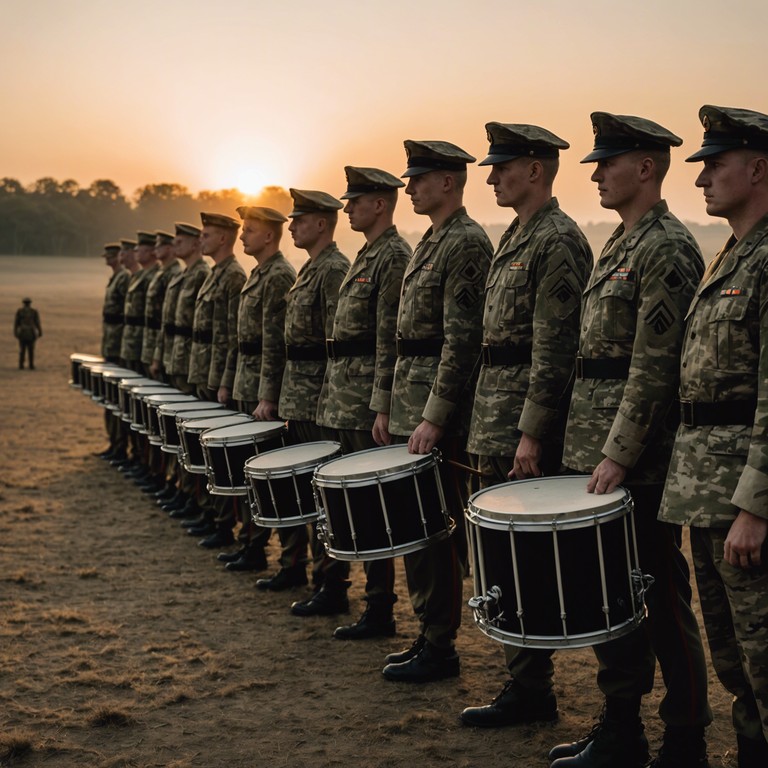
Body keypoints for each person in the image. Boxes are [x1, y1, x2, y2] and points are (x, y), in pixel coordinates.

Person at [547, 113, 711, 768]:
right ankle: (621, 730)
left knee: (662, 603)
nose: (596, 173)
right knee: (609, 596)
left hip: (637, 463)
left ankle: (684, 740)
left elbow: (654, 366)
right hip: (597, 455)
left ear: (645, 167)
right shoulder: (620, 242)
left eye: (607, 161)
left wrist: (619, 452)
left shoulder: (666, 247)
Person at [459, 122, 591, 726]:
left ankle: (533, 689)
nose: (491, 177)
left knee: (526, 563)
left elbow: (555, 347)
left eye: (502, 166)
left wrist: (533, 433)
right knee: (501, 563)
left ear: (534, 170)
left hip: (522, 430)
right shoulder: (517, 234)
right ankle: (524, 684)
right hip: (495, 420)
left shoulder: (556, 240)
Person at [659, 105, 768, 768]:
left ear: (758, 168)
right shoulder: (730, 254)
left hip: (743, 505)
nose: (701, 179)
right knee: (733, 659)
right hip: (706, 496)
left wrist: (756, 506)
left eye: (715, 164)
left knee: (764, 656)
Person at [381, 140, 492, 682]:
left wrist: (436, 415)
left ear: (448, 182)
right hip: (411, 406)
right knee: (418, 528)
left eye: (419, 177)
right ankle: (429, 633)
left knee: (438, 531)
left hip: (434, 414)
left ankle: (441, 645)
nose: (410, 187)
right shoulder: (432, 240)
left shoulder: (466, 242)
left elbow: (461, 339)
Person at [315, 166, 411, 635]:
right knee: (348, 505)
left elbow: (388, 339)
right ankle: (337, 588)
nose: (347, 207)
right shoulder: (366, 254)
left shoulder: (392, 256)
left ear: (380, 204)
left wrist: (382, 402)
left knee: (371, 507)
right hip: (343, 397)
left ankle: (379, 608)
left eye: (355, 200)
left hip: (363, 403)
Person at [256, 189, 350, 596]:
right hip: (300, 397)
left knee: (324, 499)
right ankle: (307, 572)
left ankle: (330, 582)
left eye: (299, 219)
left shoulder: (332, 270)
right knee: (305, 493)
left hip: (318, 400)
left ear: (321, 224)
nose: (290, 226)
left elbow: (337, 345)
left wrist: (327, 399)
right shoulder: (312, 268)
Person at [218, 205, 295, 573]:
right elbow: (240, 340)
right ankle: (252, 543)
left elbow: (273, 342)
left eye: (249, 230)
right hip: (247, 381)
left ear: (268, 236)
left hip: (262, 388)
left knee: (271, 475)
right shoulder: (260, 272)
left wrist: (268, 395)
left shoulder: (279, 275)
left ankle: (280, 556)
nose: (242, 235)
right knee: (249, 472)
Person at [186, 212, 246, 548]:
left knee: (219, 455)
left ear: (224, 239)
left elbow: (229, 338)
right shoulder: (215, 274)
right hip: (204, 371)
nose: (201, 240)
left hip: (218, 376)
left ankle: (224, 522)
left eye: (207, 235)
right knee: (203, 451)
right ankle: (212, 514)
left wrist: (223, 380)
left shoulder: (233, 276)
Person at [160, 222, 211, 520]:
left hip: (194, 364)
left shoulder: (202, 274)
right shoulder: (186, 275)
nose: (173, 245)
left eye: (181, 241)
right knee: (178, 434)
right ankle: (185, 490)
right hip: (179, 360)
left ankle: (197, 499)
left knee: (194, 438)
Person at [97, 242, 130, 461]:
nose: (108, 258)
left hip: (119, 345)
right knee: (109, 398)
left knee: (119, 400)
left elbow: (129, 313)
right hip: (111, 343)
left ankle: (119, 445)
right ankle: (113, 442)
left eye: (111, 255)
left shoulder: (124, 278)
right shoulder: (116, 278)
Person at [14, 297, 42, 370]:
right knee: (31, 350)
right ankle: (31, 365)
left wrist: (15, 332)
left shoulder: (20, 311)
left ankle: (21, 365)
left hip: (22, 333)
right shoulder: (33, 311)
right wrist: (40, 331)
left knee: (22, 350)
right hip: (31, 333)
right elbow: (37, 323)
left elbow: (16, 323)